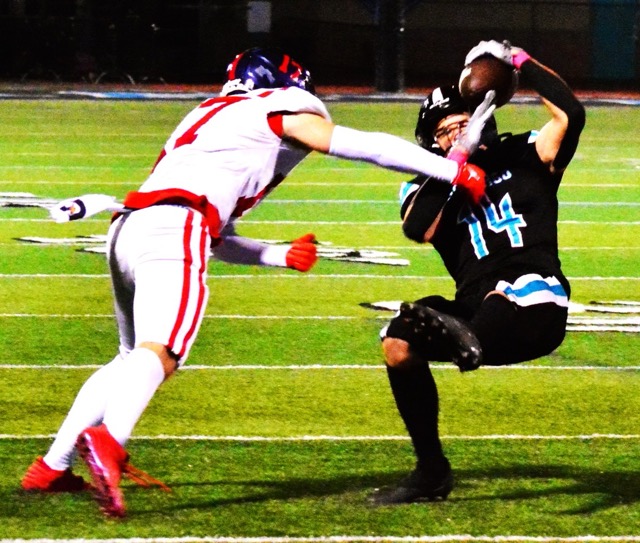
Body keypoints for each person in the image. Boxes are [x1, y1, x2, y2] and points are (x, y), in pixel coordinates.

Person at [21, 46, 487, 518]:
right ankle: (110, 444)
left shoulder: (203, 117)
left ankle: (52, 466)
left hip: (129, 227)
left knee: (128, 358)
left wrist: (276, 254)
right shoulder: (272, 108)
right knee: (160, 352)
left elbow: (217, 238)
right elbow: (361, 144)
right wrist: (451, 169)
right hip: (176, 227)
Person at [371, 40, 585, 505]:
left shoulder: (526, 152)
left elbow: (570, 114)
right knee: (397, 339)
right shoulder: (424, 185)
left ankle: (465, 335)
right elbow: (417, 228)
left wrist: (519, 62)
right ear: (431, 143)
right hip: (474, 306)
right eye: (446, 130)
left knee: (506, 291)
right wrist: (453, 164)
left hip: (535, 303)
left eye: (466, 122)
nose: (459, 132)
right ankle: (431, 472)